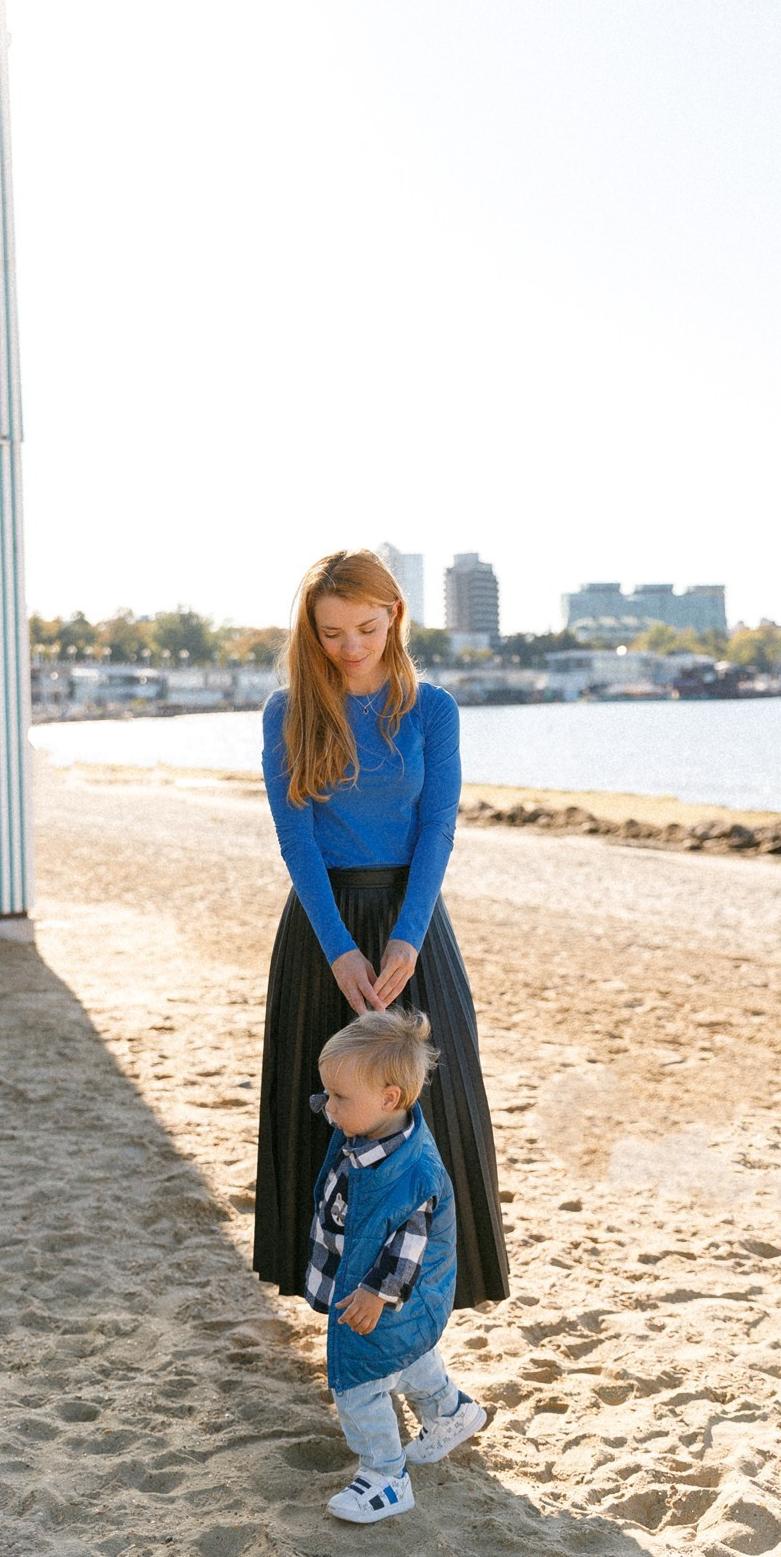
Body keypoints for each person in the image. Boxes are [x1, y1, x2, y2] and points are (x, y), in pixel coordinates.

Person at [254, 548, 508, 1310]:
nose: (351, 647)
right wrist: (337, 951)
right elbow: (296, 839)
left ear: (394, 615)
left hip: (412, 925)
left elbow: (437, 828)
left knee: (437, 1105)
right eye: (331, 632)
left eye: (366, 628)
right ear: (310, 629)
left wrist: (407, 936)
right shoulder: (287, 711)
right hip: (322, 930)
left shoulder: (432, 708)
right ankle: (331, 1293)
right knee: (326, 1109)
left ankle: (431, 1292)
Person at [308, 1009, 488, 1524]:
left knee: (359, 1385)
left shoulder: (412, 1175)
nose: (327, 1107)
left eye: (339, 1097)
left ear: (389, 1099)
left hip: (380, 1295)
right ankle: (451, 1412)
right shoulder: (370, 1131)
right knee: (405, 1353)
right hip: (378, 1294)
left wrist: (376, 1293)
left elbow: (408, 1248)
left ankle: (386, 1478)